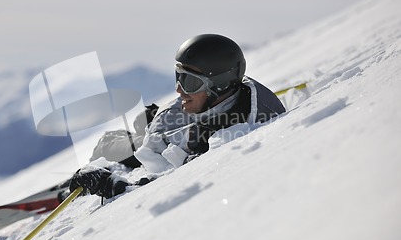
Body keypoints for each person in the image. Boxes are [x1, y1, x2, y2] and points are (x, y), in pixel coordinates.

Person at [66, 34, 286, 202]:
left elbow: (171, 187)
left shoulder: (232, 139)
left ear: (219, 85)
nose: (179, 90)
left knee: (111, 145)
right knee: (130, 133)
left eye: (189, 82)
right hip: (171, 133)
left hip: (164, 145)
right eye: (178, 77)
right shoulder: (221, 101)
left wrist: (109, 185)